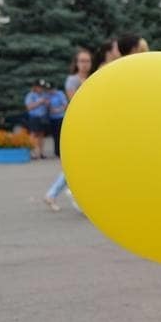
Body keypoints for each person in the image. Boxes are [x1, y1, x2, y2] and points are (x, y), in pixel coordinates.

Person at [43, 47, 92, 211]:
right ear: (76, 63)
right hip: (77, 125)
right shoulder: (72, 80)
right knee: (77, 163)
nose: (85, 64)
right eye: (82, 61)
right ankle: (59, 194)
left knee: (80, 163)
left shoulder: (93, 78)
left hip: (90, 125)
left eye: (87, 61)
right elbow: (74, 102)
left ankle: (52, 194)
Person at [24, 79, 49, 159]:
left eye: (42, 87)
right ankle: (33, 153)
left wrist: (47, 103)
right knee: (34, 135)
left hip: (43, 117)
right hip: (34, 117)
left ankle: (41, 153)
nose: (41, 89)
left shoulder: (44, 95)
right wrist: (39, 102)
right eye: (39, 87)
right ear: (35, 87)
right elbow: (29, 107)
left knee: (41, 135)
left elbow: (48, 106)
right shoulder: (30, 95)